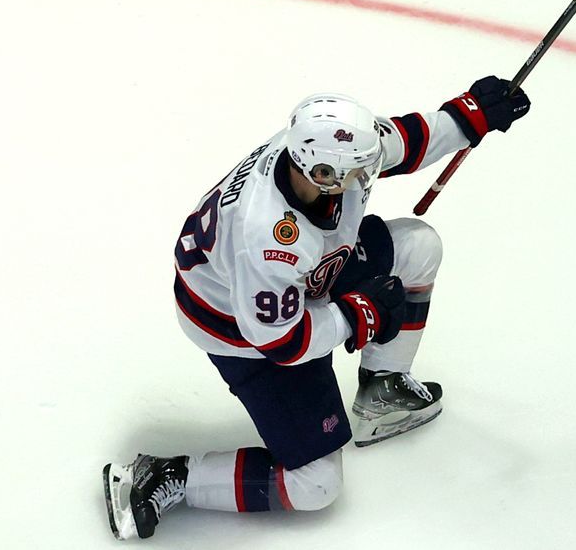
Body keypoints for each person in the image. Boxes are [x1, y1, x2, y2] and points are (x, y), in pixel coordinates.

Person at [103, 76, 531, 540]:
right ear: (322, 176)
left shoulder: (318, 154)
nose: (367, 178)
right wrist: (359, 314)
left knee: (417, 246)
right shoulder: (267, 237)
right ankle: (165, 476)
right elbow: (283, 343)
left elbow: (402, 144)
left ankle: (381, 392)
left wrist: (468, 116)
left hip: (298, 282)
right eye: (356, 173)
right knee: (316, 485)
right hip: (240, 329)